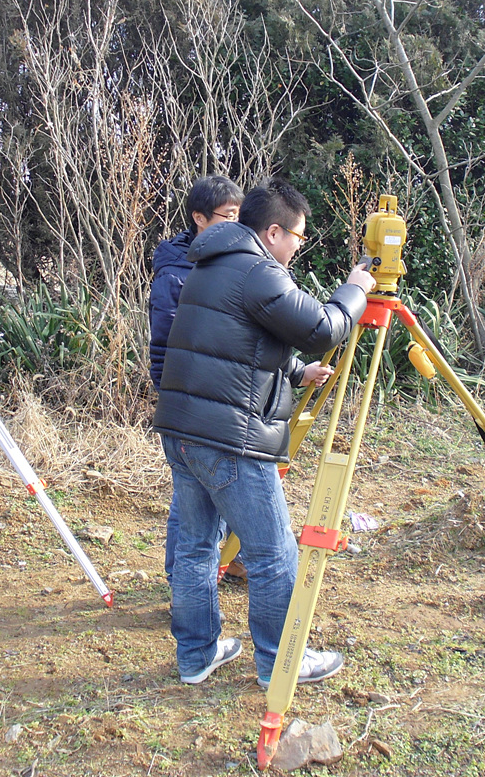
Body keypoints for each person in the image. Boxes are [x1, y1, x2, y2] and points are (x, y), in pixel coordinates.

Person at [153, 177, 376, 686]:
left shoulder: (207, 262)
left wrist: (295, 372)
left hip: (185, 430)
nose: (298, 248)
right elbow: (321, 329)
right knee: (274, 555)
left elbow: (241, 345)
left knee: (194, 547)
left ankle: (196, 657)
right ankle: (280, 663)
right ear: (273, 232)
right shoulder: (256, 270)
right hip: (228, 438)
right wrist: (357, 289)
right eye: (298, 237)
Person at [149, 175, 244, 583]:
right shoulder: (176, 271)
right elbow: (165, 340)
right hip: (190, 396)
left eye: (240, 217)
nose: (235, 225)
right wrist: (172, 390)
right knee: (193, 497)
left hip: (223, 393)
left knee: (230, 484)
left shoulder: (231, 256)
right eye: (228, 217)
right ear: (199, 218)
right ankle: (182, 580)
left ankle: (233, 559)